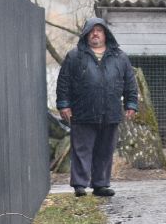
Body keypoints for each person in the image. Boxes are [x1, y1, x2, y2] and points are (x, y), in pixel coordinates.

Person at [56, 17, 138, 197]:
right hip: (82, 111)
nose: (95, 33)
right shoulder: (74, 56)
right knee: (81, 149)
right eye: (92, 31)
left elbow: (130, 83)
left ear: (106, 34)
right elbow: (64, 83)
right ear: (86, 34)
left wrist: (131, 103)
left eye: (99, 30)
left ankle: (101, 184)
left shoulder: (120, 57)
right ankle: (79, 184)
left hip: (111, 112)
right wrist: (64, 105)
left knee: (105, 149)